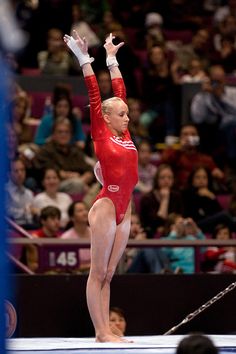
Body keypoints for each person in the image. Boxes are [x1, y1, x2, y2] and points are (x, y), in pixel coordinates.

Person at [64, 31, 138, 342]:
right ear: (105, 118)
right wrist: (84, 59)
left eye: (128, 113)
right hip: (107, 205)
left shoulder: (125, 136)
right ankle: (100, 331)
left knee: (110, 273)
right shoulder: (102, 133)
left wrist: (111, 58)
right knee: (97, 273)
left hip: (126, 208)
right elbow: (96, 94)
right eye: (121, 114)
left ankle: (107, 330)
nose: (127, 117)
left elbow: (118, 92)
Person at [60, 201, 91, 273]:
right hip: (75, 275)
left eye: (85, 209)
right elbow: (67, 265)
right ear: (72, 218)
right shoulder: (66, 238)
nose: (85, 213)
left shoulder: (96, 233)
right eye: (80, 211)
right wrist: (89, 266)